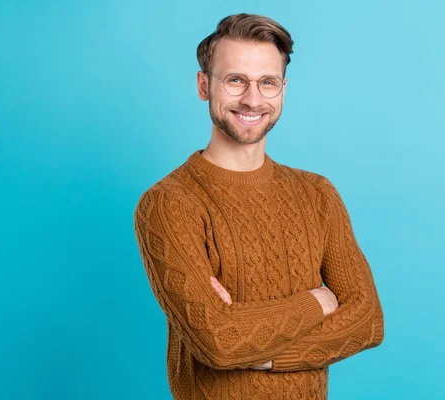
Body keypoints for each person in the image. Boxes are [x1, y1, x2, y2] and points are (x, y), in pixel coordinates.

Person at [133, 13, 384, 400]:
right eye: (235, 80)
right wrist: (317, 302)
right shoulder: (169, 203)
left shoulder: (316, 193)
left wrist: (267, 353)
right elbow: (218, 342)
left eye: (267, 82)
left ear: (282, 89)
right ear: (204, 85)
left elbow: (367, 320)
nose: (253, 99)